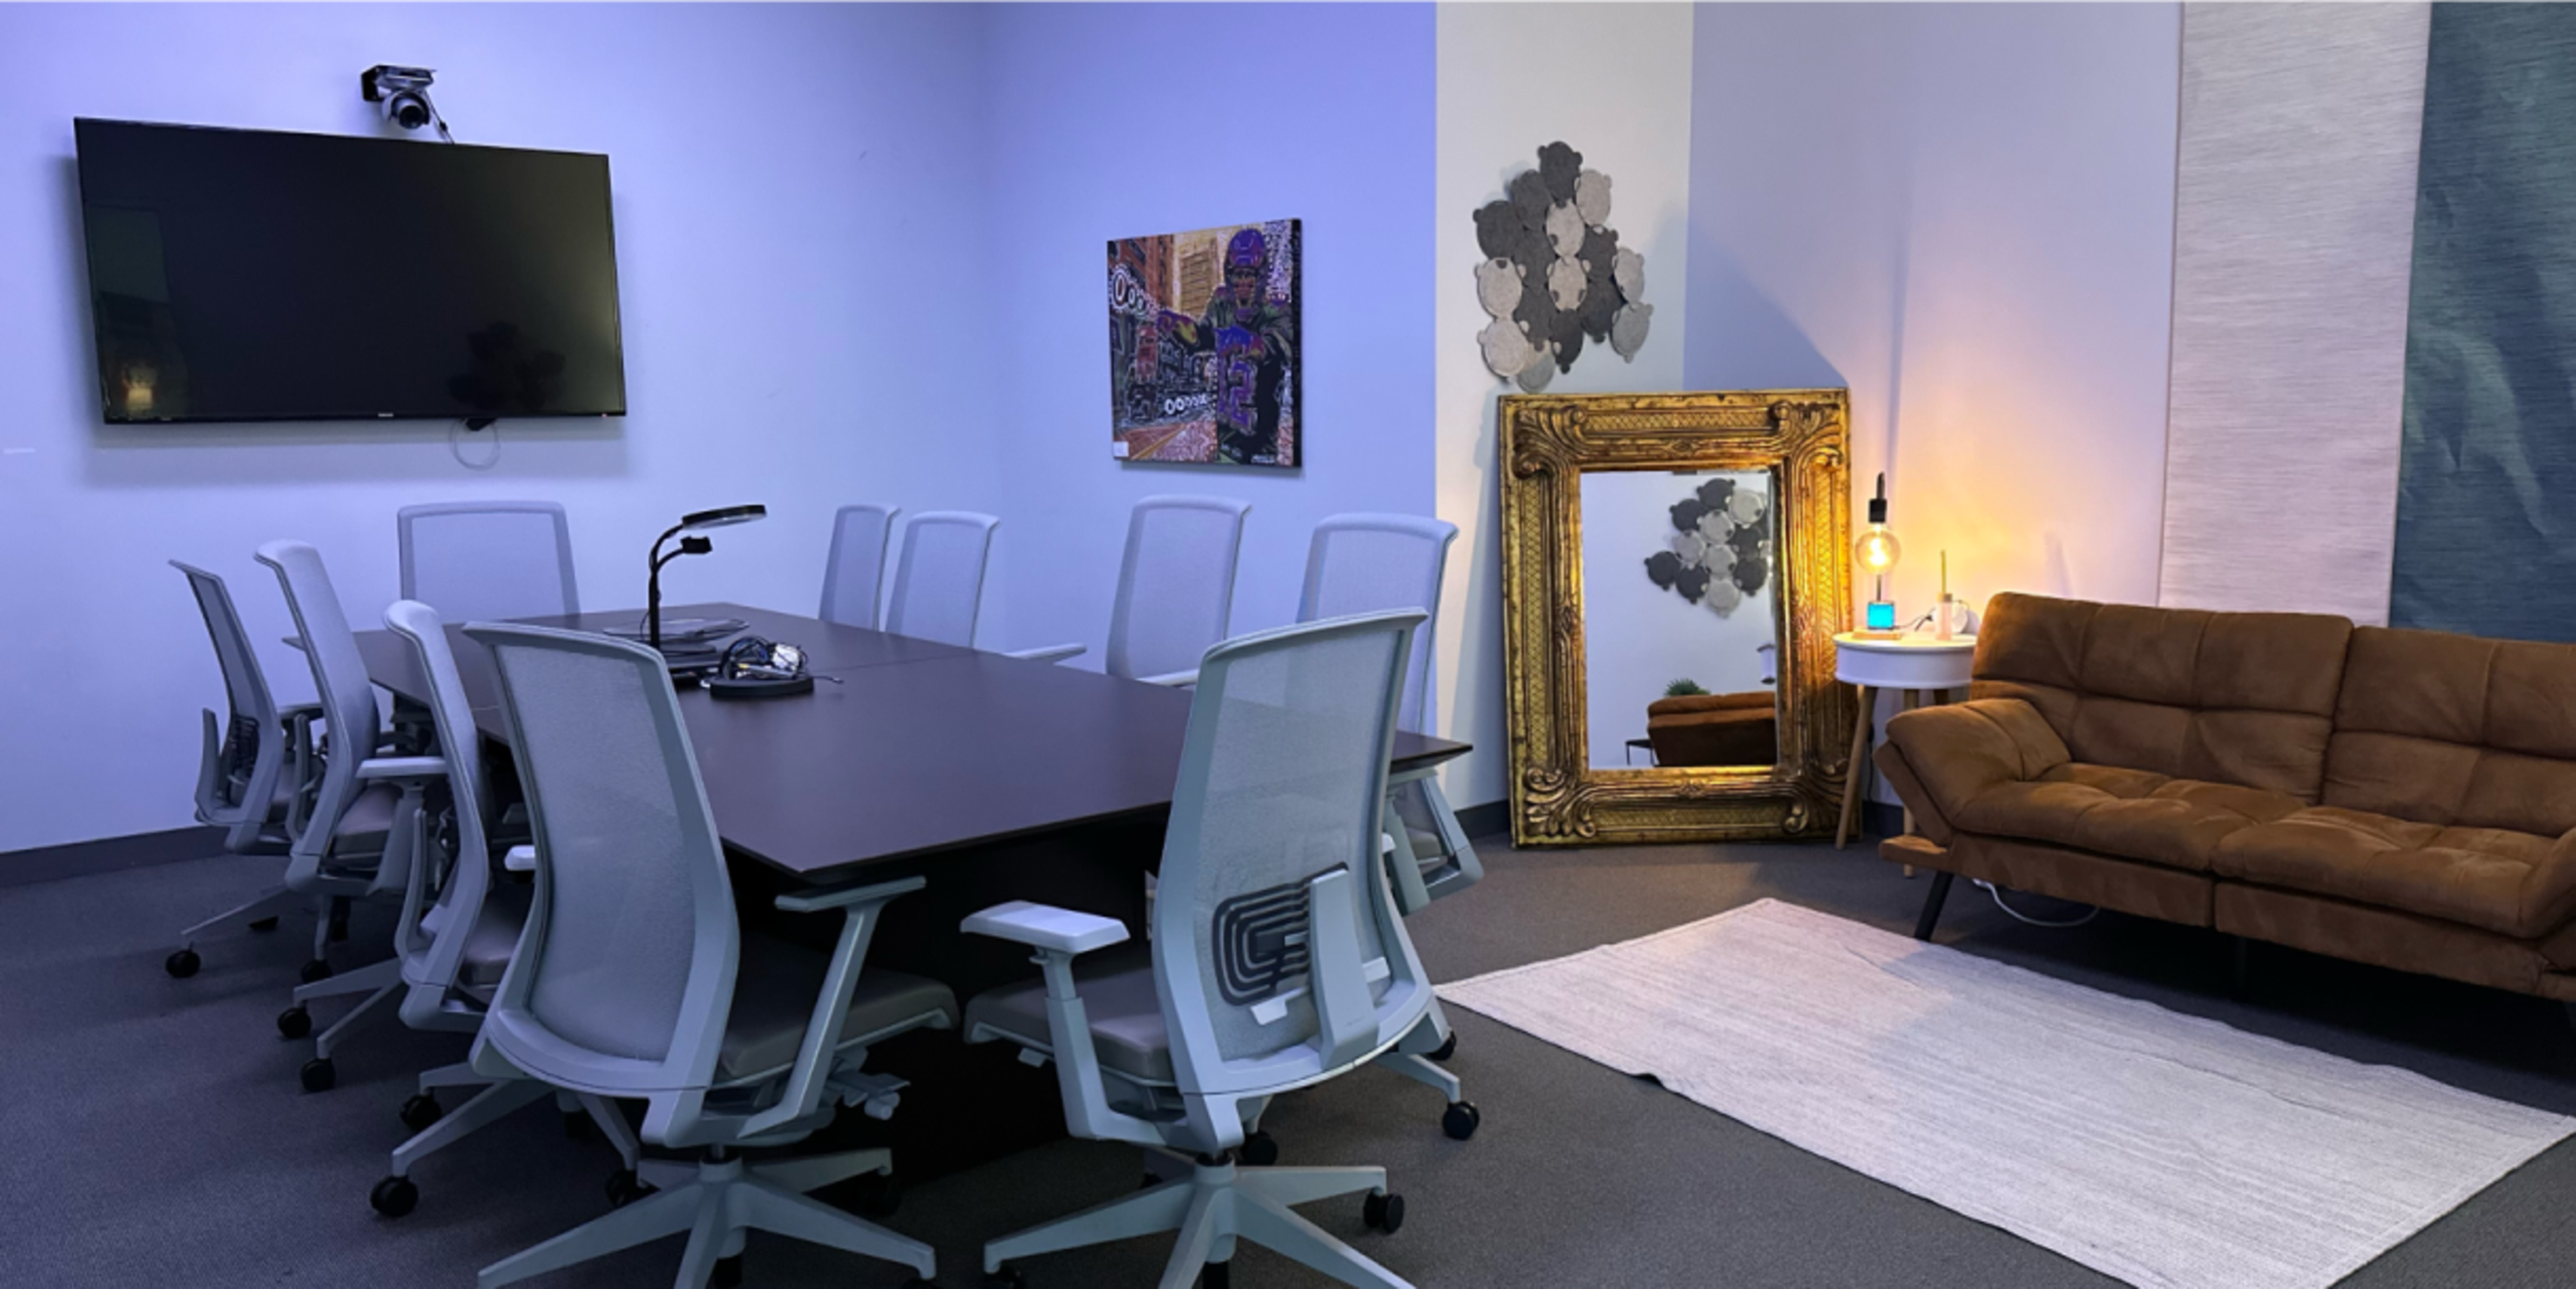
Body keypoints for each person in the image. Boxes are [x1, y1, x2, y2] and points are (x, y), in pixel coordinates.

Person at [1158, 227, 1295, 463]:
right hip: (1228, 442)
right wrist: (1179, 326)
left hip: (1260, 448)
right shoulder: (1221, 303)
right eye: (1237, 274)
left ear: (1260, 276)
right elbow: (1201, 337)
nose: (1243, 282)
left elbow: (1272, 348)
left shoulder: (1278, 312)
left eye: (1249, 274)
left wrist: (1245, 341)